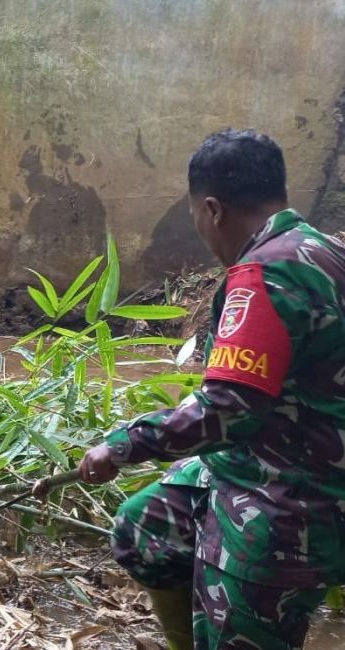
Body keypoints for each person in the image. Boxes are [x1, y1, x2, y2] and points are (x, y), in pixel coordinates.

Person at [78, 129, 345, 650]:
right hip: (281, 455)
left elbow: (226, 410)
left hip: (289, 498)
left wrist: (122, 444)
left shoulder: (263, 275)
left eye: (196, 215)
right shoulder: (324, 252)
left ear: (213, 209)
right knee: (144, 528)